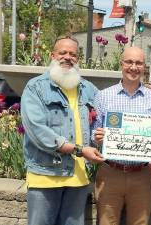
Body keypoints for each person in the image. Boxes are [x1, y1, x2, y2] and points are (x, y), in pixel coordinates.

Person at [21, 35, 104, 225]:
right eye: (63, 52)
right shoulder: (36, 87)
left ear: (78, 59)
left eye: (73, 54)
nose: (68, 57)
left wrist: (146, 88)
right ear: (52, 55)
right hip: (45, 176)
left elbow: (107, 115)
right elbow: (38, 132)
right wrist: (80, 150)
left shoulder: (88, 89)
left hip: (78, 178)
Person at [93, 47, 151, 225]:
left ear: (144, 67)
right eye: (129, 62)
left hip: (143, 174)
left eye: (139, 63)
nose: (134, 67)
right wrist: (98, 137)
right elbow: (93, 134)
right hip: (111, 172)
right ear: (121, 64)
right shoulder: (103, 96)